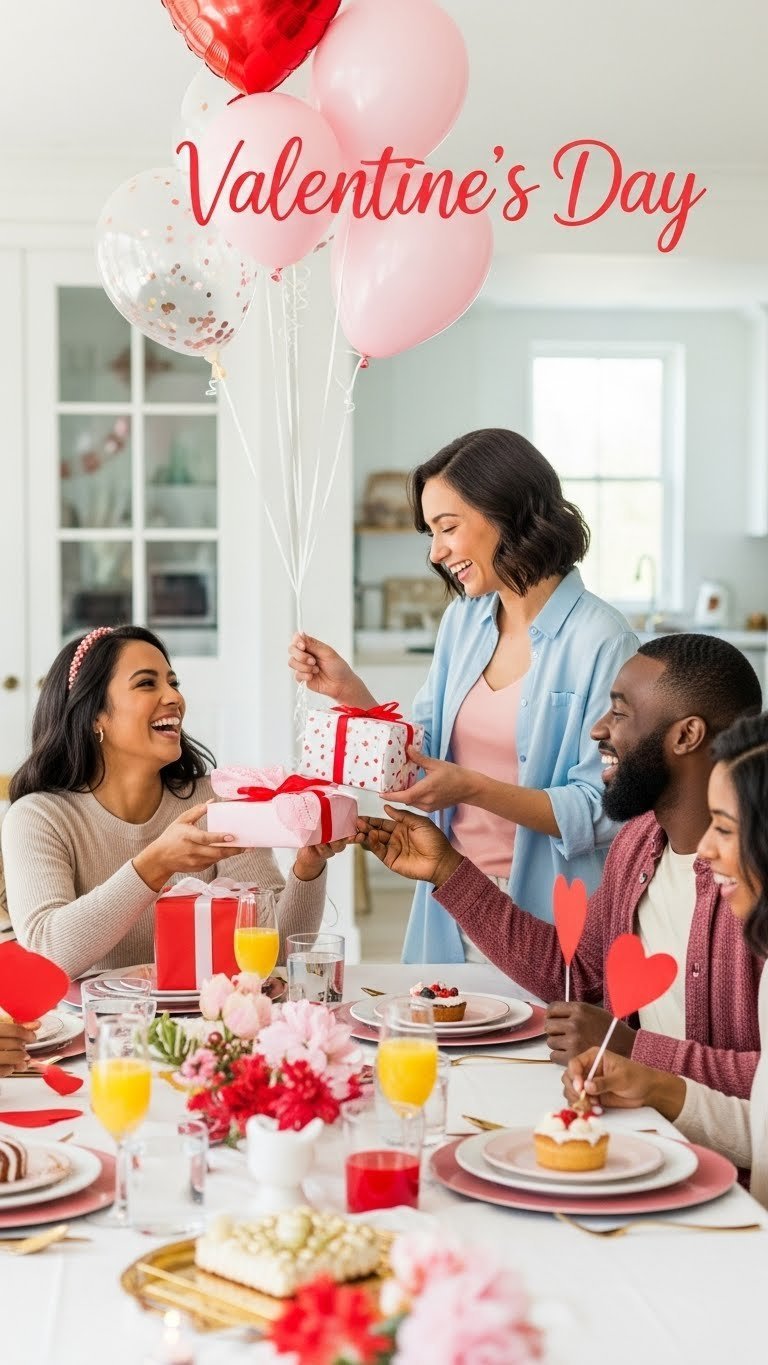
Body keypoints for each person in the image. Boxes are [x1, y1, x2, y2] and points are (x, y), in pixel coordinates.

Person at [355, 634, 763, 1096]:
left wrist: (630, 1047)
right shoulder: (638, 844)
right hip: (636, 1129)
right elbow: (577, 978)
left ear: (686, 736)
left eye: (620, 712)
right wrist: (447, 870)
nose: (598, 730)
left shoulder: (752, 881)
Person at [289, 428, 638, 962]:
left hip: (550, 919)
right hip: (451, 900)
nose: (436, 551)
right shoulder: (464, 620)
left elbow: (603, 809)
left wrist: (472, 788)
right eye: (431, 532)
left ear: (508, 513)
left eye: (448, 527)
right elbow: (422, 753)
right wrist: (353, 694)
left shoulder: (603, 639)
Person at [2, 626, 343, 980]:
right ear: (94, 716)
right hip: (98, 1027)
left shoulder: (220, 801)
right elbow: (48, 955)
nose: (174, 698)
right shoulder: (39, 817)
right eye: (147, 683)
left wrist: (307, 868)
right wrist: (154, 866)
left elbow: (273, 956)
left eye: (173, 683)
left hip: (208, 1025)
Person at [564, 713, 768, 1206]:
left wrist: (643, 1051)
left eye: (723, 828)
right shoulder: (635, 845)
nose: (705, 849)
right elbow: (762, 1129)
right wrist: (658, 1088)